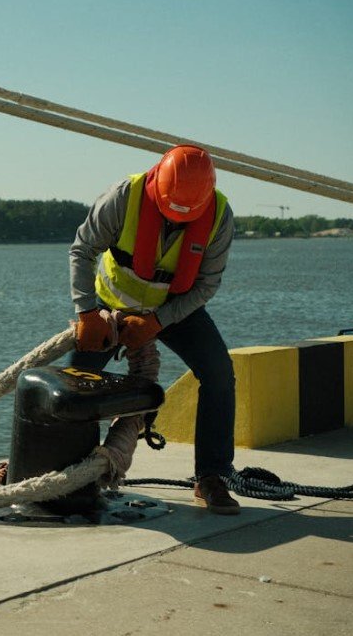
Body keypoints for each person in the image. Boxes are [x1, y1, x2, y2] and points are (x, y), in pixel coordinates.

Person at [68, 144, 239, 515]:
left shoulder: (220, 216)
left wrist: (158, 321)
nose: (176, 220)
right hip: (109, 307)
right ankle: (46, 469)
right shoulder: (123, 197)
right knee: (71, 384)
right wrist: (87, 313)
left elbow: (207, 285)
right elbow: (82, 250)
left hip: (174, 310)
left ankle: (211, 476)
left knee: (219, 375)